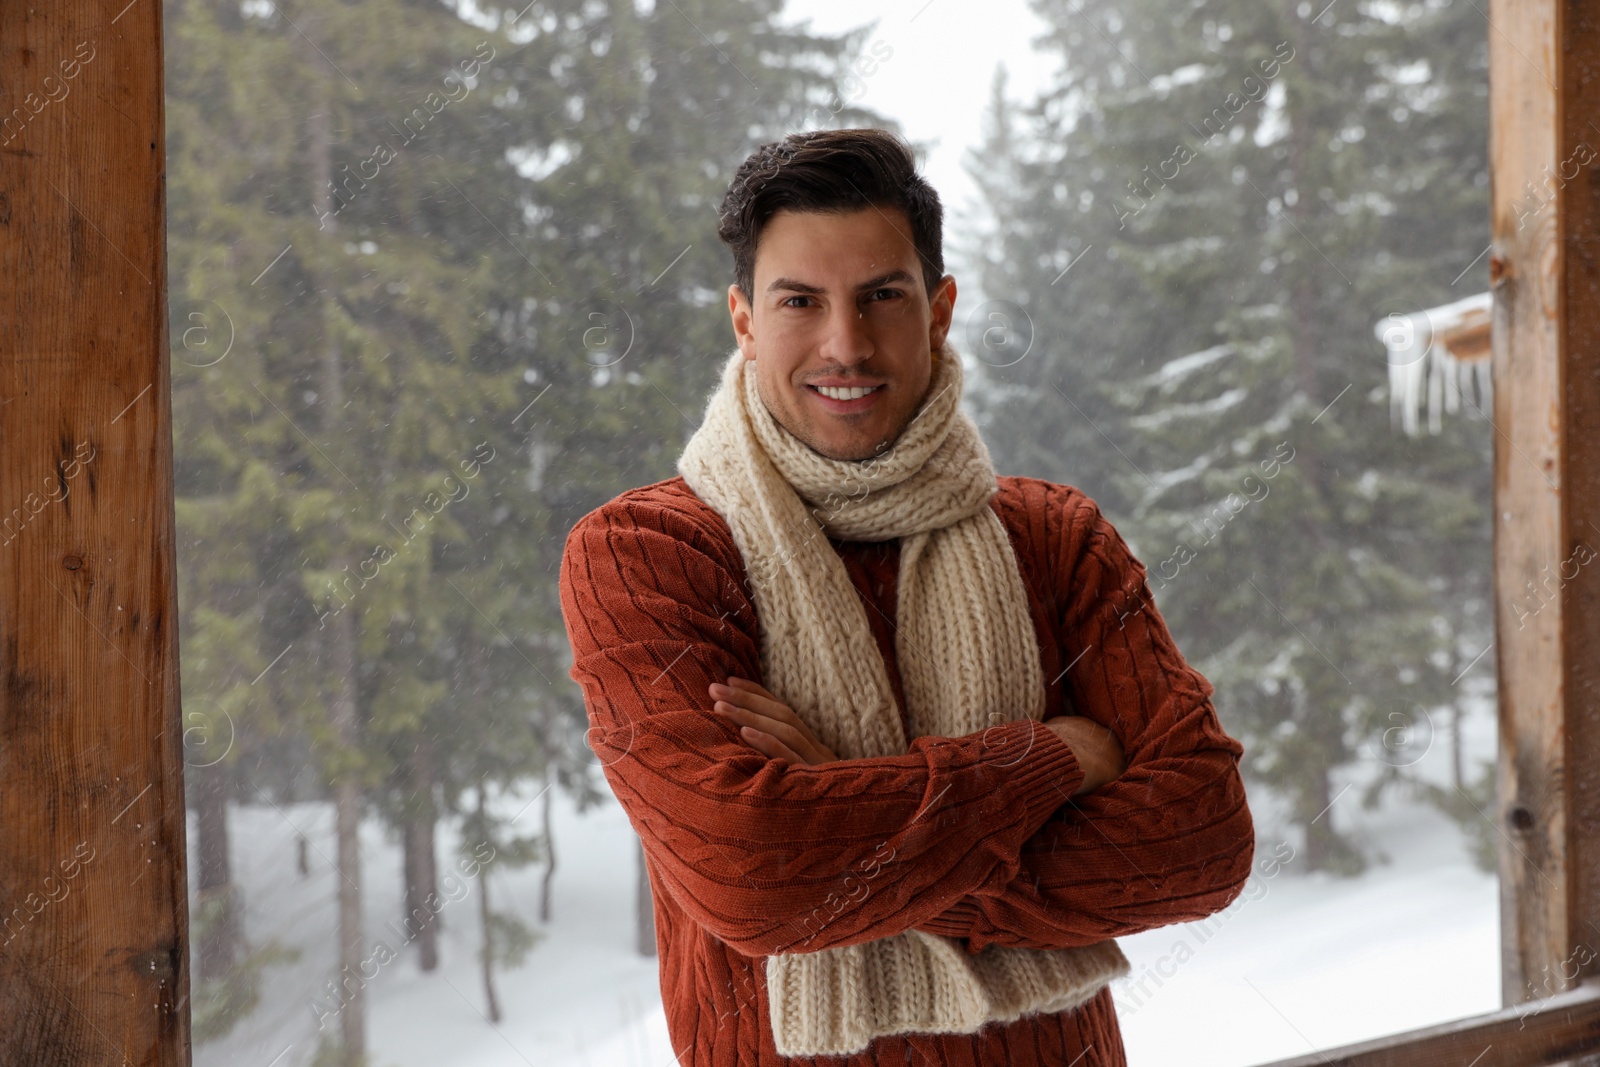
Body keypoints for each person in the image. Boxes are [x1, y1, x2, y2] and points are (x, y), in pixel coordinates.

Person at [558, 127, 1254, 1066]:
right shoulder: (649, 555)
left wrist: (846, 821)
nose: (845, 344)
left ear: (938, 310)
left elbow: (1199, 841)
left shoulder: (1053, 538)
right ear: (744, 322)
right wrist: (1046, 759)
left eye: (881, 296)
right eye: (800, 300)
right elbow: (753, 875)